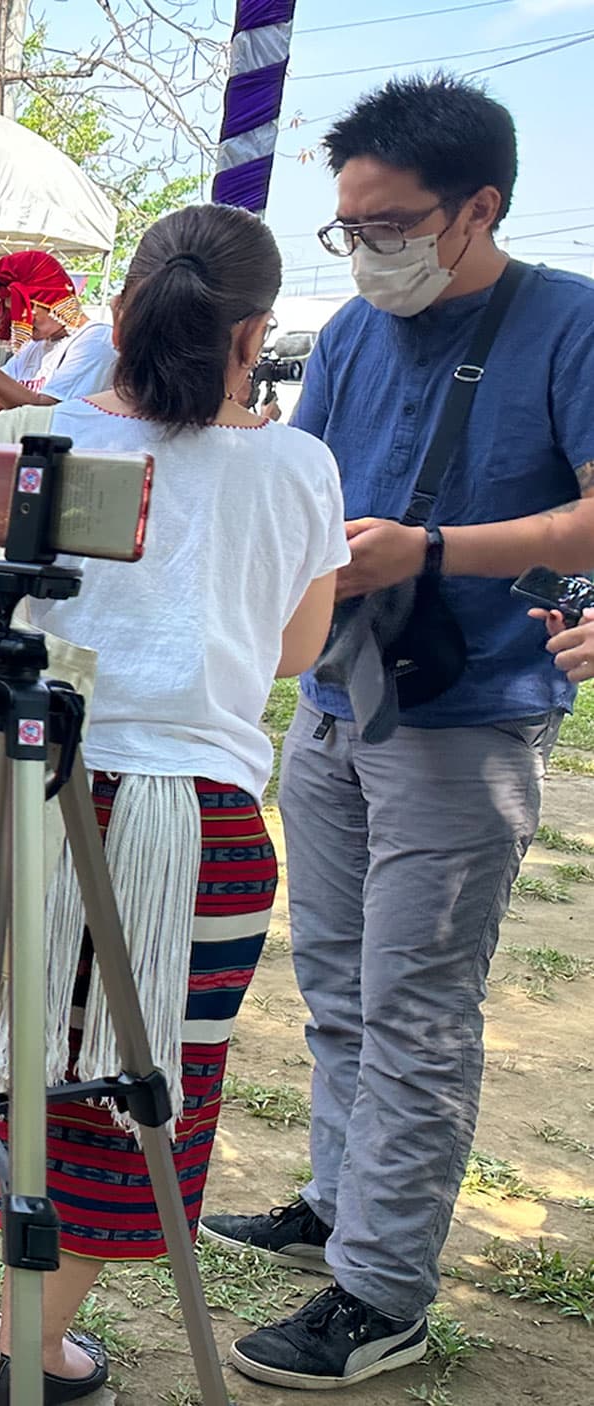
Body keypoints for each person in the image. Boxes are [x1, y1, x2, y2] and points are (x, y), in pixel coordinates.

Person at [0, 204, 344, 1402]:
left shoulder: (25, 437)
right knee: (116, 1082)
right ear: (252, 334)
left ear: (117, 311)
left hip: (0, 791)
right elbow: (294, 649)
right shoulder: (300, 467)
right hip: (187, 824)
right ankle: (31, 1346)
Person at [206, 76, 594, 1391]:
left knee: (417, 1005)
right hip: (335, 696)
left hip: (469, 715)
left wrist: (432, 547)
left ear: (479, 206)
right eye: (349, 228)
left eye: (391, 226)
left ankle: (380, 1291)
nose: (367, 251)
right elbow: (300, 480)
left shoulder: (569, 324)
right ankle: (335, 1203)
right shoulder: (355, 333)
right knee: (334, 981)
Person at [0, 249, 119, 426]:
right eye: (12, 311)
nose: (19, 319)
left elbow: (41, 414)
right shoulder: (33, 348)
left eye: (25, 308)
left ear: (52, 299)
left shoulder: (96, 341)